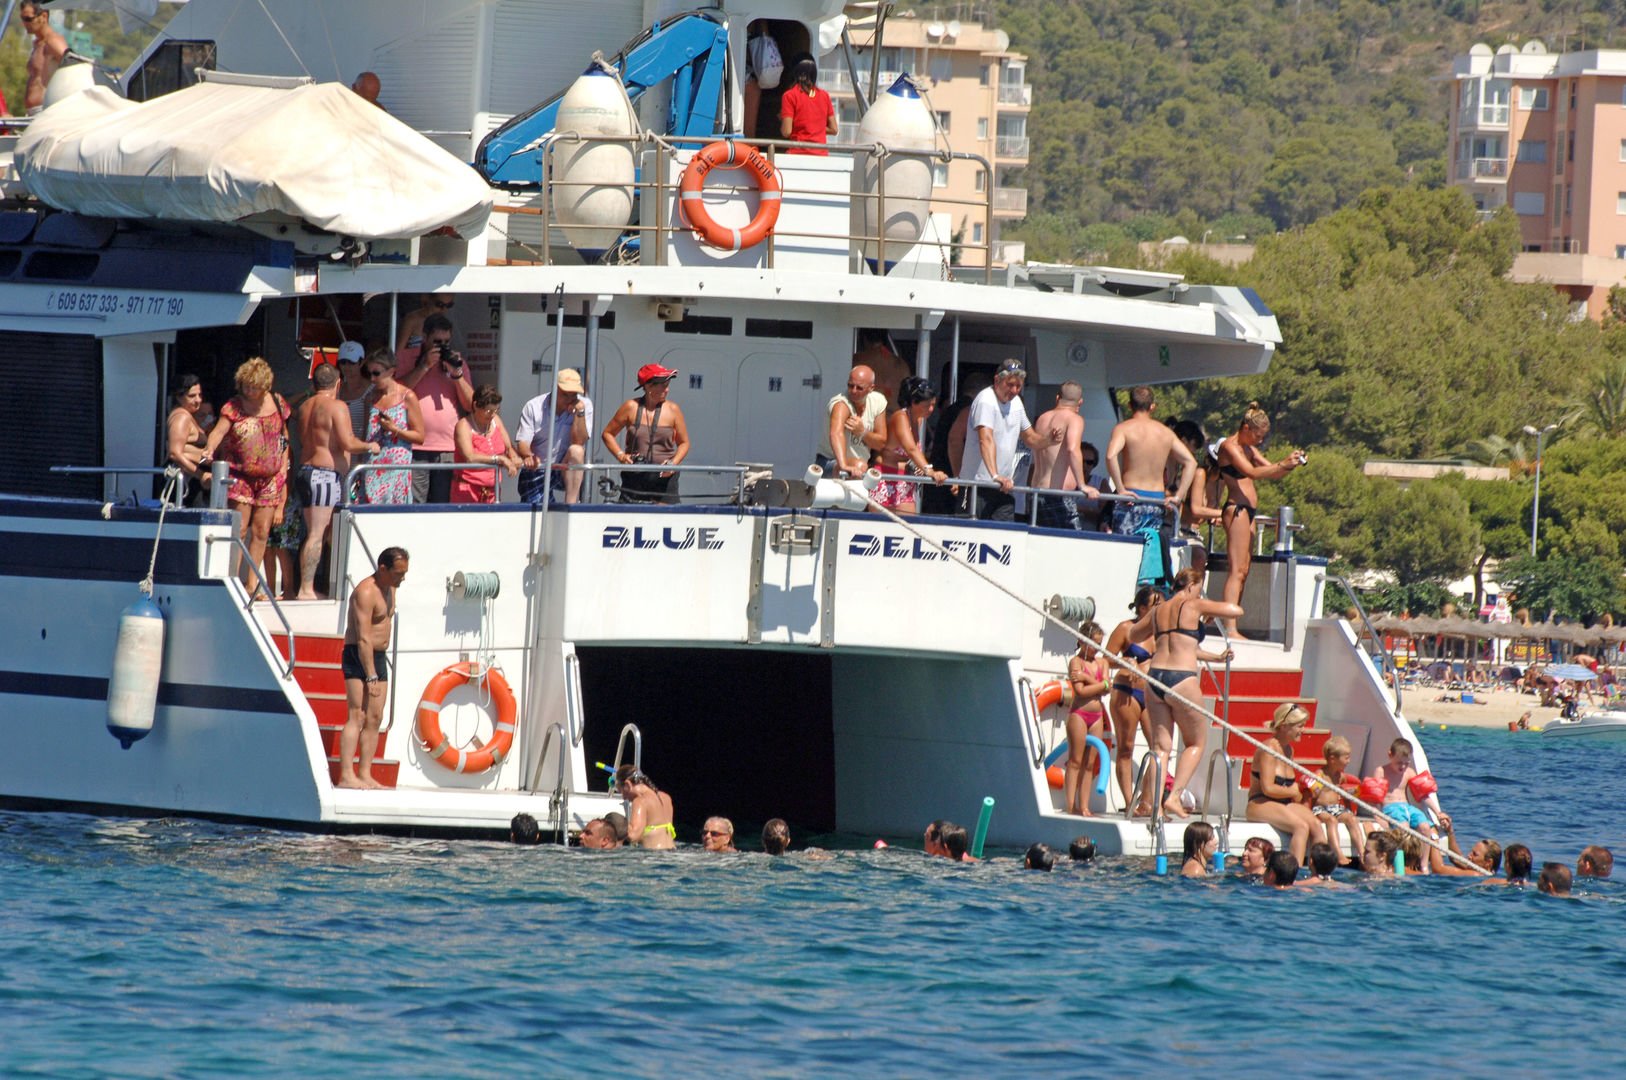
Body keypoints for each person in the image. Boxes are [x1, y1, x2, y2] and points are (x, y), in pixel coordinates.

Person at [1129, 566, 1239, 819]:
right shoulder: (1193, 605)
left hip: (1155, 677)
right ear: (1191, 586)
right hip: (1182, 679)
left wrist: (1215, 657)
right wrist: (1206, 607)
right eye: (1199, 589)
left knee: (1161, 748)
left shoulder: (1158, 611)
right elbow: (1236, 611)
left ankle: (1155, 806)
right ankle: (1175, 796)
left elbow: (1134, 634)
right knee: (1195, 742)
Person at [200, 357, 292, 601]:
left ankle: (252, 585)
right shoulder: (234, 406)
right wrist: (209, 449)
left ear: (265, 386)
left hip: (270, 476)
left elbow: (284, 437)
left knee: (262, 531)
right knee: (240, 529)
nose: (249, 391)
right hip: (240, 474)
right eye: (245, 386)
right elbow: (219, 431)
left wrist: (284, 469)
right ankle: (232, 580)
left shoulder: (278, 404)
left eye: (254, 387)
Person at [1215, 402, 1306, 637]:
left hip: (1249, 512)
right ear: (1246, 428)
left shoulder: (1248, 448)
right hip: (1236, 510)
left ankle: (1232, 618)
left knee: (1244, 569)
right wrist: (1282, 464)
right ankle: (1230, 627)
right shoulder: (1230, 446)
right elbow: (1253, 473)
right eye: (1257, 435)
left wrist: (1290, 463)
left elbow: (1272, 471)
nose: (1259, 441)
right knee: (1236, 570)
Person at [294, 364, 379, 599]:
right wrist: (370, 445)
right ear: (338, 383)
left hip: (306, 471)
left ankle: (331, 584)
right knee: (317, 533)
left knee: (326, 533)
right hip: (323, 475)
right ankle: (306, 589)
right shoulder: (336, 406)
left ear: (314, 385)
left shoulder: (305, 406)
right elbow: (348, 443)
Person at [1103, 387, 1194, 593]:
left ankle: (1124, 596)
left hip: (1131, 500)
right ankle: (1153, 597)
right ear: (1153, 407)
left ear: (1129, 405)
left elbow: (1110, 456)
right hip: (1156, 502)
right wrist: (1178, 497)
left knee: (1126, 555)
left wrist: (1120, 489)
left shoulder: (1124, 428)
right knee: (1153, 549)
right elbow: (1191, 462)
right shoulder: (1165, 433)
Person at [338, 547, 409, 789]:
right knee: (356, 715)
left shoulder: (391, 588)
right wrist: (370, 675)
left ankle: (365, 773)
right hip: (358, 656)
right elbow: (363, 638)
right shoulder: (365, 592)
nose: (402, 578)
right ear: (383, 569)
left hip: (378, 656)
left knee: (375, 717)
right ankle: (347, 775)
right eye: (398, 573)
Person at [957, 359, 1057, 521]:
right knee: (970, 535)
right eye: (1010, 385)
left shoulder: (1016, 403)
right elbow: (986, 439)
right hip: (976, 486)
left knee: (1004, 532)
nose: (1014, 390)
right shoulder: (986, 401)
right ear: (997, 380)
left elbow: (1030, 438)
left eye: (1018, 386)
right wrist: (995, 475)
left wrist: (1049, 440)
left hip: (1003, 487)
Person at [397, 313, 473, 504]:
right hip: (415, 446)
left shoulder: (457, 362)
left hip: (447, 447)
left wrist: (457, 375)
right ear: (425, 337)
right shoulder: (407, 357)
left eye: (446, 341)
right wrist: (424, 366)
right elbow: (397, 394)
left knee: (442, 503)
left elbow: (470, 404)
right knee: (415, 503)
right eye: (437, 341)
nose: (442, 346)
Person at [1243, 703, 1321, 864]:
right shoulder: (1268, 749)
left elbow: (1291, 790)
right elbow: (1268, 788)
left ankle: (1319, 873)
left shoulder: (1288, 750)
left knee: (1316, 825)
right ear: (1285, 726)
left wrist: (1302, 793)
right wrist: (1293, 791)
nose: (1303, 730)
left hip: (1282, 803)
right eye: (1300, 726)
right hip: (1260, 802)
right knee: (1301, 827)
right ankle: (1294, 873)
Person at [602, 363, 691, 504]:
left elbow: (684, 443)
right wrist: (621, 456)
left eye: (668, 385)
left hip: (665, 478)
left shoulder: (673, 409)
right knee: (630, 517)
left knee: (667, 518)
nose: (667, 390)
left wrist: (673, 463)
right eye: (663, 386)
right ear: (648, 386)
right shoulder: (630, 407)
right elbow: (607, 434)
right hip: (635, 476)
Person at [1106, 586, 1160, 815]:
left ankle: (1148, 802)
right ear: (1142, 607)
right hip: (1126, 691)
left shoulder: (1161, 633)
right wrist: (1126, 662)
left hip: (1151, 694)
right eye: (1155, 604)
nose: (1160, 609)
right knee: (1126, 748)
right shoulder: (1126, 628)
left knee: (1158, 748)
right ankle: (1130, 803)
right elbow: (1106, 659)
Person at [515, 369, 592, 505]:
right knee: (535, 510)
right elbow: (522, 442)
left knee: (577, 451)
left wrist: (579, 413)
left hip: (564, 467)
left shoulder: (584, 405)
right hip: (538, 467)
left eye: (573, 394)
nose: (569, 399)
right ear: (554, 389)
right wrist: (528, 456)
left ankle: (571, 506)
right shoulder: (533, 406)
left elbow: (579, 441)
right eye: (565, 394)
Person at [872, 375, 947, 514]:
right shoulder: (900, 417)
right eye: (926, 405)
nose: (931, 409)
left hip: (905, 481)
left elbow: (913, 454)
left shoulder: (918, 420)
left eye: (933, 405)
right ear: (913, 402)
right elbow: (911, 449)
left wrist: (918, 466)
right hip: (887, 477)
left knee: (909, 527)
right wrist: (929, 470)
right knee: (880, 528)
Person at [1030, 382, 1099, 530]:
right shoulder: (1074, 419)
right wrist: (1082, 485)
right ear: (1080, 402)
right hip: (1058, 496)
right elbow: (1073, 449)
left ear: (1057, 398)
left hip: (1037, 493)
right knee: (1070, 547)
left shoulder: (1042, 419)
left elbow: (1036, 451)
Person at [358, 351, 424, 505]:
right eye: (370, 374)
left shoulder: (407, 397)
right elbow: (365, 435)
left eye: (377, 373)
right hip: (372, 467)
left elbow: (420, 436)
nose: (373, 379)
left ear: (391, 371)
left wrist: (394, 429)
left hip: (396, 468)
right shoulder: (370, 398)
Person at [1063, 620, 1111, 816]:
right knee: (1075, 760)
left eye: (1099, 644)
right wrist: (1102, 685)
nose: (1096, 649)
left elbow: (1108, 688)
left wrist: (1090, 679)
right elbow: (1081, 692)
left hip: (1097, 716)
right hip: (1079, 715)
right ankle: (1070, 805)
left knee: (1090, 763)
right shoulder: (1076, 662)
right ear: (1082, 641)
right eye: (1093, 644)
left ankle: (1084, 805)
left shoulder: (1103, 662)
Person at [451, 384, 521, 504]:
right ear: (476, 406)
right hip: (467, 491)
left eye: (496, 410)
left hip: (493, 492)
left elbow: (509, 448)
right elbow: (470, 457)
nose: (493, 414)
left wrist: (514, 457)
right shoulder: (463, 426)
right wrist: (499, 459)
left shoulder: (496, 420)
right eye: (489, 411)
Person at [819, 364, 888, 480]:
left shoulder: (878, 401)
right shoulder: (841, 404)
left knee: (861, 466)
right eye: (850, 386)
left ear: (871, 388)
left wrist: (863, 432)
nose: (853, 391)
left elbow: (880, 443)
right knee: (859, 466)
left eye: (859, 388)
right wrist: (843, 466)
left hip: (860, 467)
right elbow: (836, 434)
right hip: (829, 462)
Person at [1308, 734, 1365, 866]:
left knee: (1352, 819)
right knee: (1331, 821)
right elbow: (1310, 795)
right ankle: (1338, 853)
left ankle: (1362, 853)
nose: (1349, 761)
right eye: (1346, 757)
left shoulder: (1340, 776)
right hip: (1320, 808)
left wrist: (1354, 793)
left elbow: (1346, 792)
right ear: (1333, 759)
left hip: (1336, 808)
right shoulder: (1320, 775)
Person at [1375, 737, 1450, 838]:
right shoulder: (1381, 771)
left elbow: (1423, 795)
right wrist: (1378, 816)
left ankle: (1423, 855)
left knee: (1425, 827)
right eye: (1399, 763)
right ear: (1390, 755)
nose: (1403, 767)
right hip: (1390, 808)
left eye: (1406, 763)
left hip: (1407, 808)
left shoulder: (1409, 772)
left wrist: (1438, 813)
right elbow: (1374, 797)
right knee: (1404, 827)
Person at [1170, 420, 1223, 556]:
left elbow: (1211, 510)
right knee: (1199, 557)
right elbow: (1196, 509)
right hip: (1183, 529)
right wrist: (1224, 513)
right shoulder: (1200, 474)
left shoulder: (1220, 482)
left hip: (1194, 532)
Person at [166, 374, 212, 507]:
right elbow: (174, 453)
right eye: (192, 396)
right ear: (179, 397)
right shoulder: (181, 417)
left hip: (191, 482)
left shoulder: (188, 416)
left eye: (200, 395)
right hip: (184, 482)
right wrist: (201, 475)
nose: (198, 400)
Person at [779, 52, 836, 154]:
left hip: (798, 153)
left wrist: (783, 121)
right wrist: (814, 126)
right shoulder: (824, 96)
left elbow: (786, 131)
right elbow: (834, 129)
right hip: (821, 155)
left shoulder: (789, 96)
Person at [19, 3, 66, 112]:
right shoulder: (37, 43)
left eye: (28, 19)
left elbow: (72, 66)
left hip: (45, 110)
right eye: (22, 18)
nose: (24, 23)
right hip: (33, 112)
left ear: (44, 16)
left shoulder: (53, 41)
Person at [616, 766, 675, 850]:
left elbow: (634, 836)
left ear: (628, 784)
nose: (624, 797)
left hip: (653, 857)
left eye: (621, 791)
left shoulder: (641, 801)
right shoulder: (666, 798)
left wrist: (617, 821)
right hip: (672, 853)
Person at [1430, 831, 1502, 877]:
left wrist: (1434, 836)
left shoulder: (1476, 875)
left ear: (1488, 862)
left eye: (1475, 854)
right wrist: (1449, 831)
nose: (1469, 855)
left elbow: (1438, 869)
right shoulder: (1490, 876)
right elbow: (1456, 859)